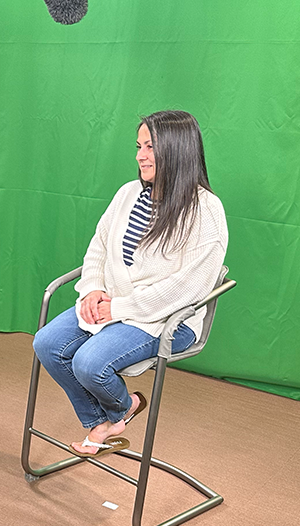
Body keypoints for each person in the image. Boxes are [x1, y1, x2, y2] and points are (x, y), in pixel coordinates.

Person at [31, 110, 228, 458]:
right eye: (138, 146)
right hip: (115, 304)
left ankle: (116, 412)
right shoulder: (128, 193)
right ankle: (111, 416)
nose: (140, 156)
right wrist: (92, 288)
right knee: (47, 343)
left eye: (150, 147)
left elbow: (187, 289)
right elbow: (99, 247)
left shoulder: (205, 210)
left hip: (167, 318)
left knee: (90, 364)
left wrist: (117, 308)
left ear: (177, 149)